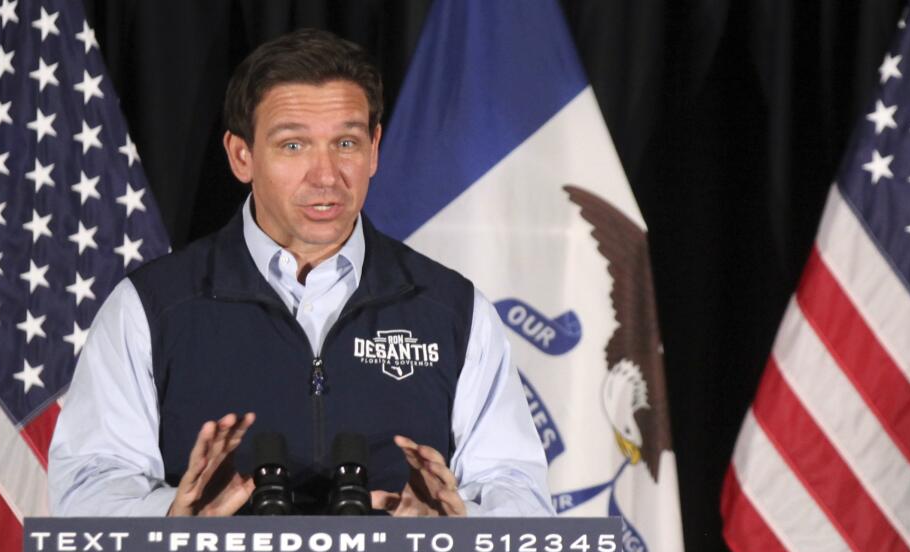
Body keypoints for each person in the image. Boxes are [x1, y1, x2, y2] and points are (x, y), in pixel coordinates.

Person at [49, 29, 552, 518]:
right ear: (241, 155)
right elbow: (88, 489)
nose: (327, 175)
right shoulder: (151, 308)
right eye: (293, 145)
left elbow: (519, 492)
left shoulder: (452, 310)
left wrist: (456, 526)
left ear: (375, 149)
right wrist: (174, 522)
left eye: (347, 143)